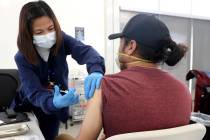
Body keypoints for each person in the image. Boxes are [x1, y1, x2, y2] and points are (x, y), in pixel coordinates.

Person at [56, 14, 192, 140]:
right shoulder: (184, 91)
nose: (118, 48)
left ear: (130, 46)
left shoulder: (103, 88)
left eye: (121, 42)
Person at [12, 1, 105, 140]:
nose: (48, 35)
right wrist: (53, 102)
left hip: (53, 112)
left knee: (50, 135)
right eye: (39, 32)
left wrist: (96, 69)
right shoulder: (22, 57)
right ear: (28, 34)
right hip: (28, 108)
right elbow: (34, 92)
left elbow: (86, 51)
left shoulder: (61, 40)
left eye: (51, 28)